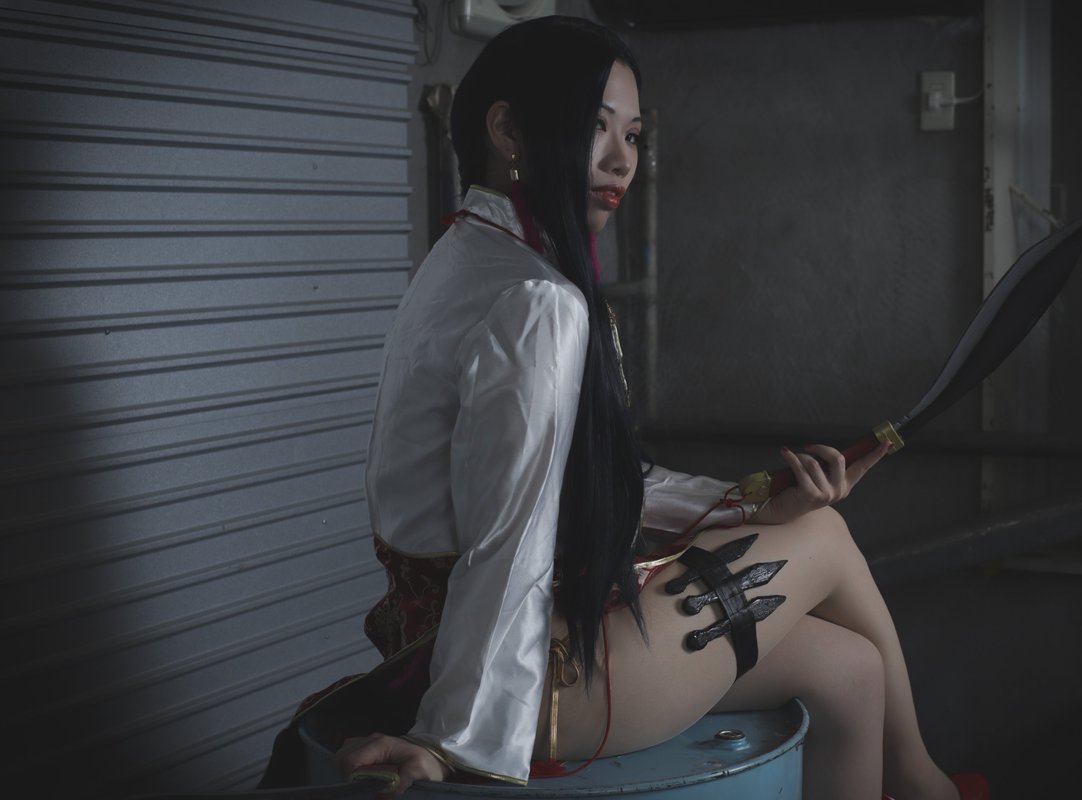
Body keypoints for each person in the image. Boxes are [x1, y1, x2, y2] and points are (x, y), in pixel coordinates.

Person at [299, 15, 983, 800]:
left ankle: (918, 779)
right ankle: (925, 784)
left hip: (433, 650)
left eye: (633, 134)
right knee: (824, 534)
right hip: (532, 682)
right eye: (595, 126)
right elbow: (510, 537)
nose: (622, 159)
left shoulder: (464, 260)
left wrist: (752, 501)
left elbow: (582, 481)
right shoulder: (537, 302)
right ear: (508, 129)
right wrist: (454, 738)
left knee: (852, 670)